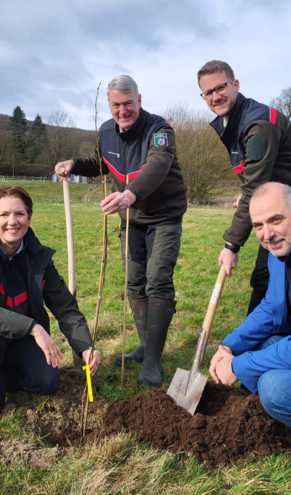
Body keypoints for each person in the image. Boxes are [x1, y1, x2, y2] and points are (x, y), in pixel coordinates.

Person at [54, 75, 187, 386]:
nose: (122, 110)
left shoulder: (160, 131)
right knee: (135, 282)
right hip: (131, 222)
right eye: (116, 105)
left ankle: (153, 361)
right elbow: (103, 164)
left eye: (128, 103)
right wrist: (74, 163)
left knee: (157, 280)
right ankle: (145, 345)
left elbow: (158, 165)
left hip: (164, 218)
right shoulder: (105, 132)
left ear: (139, 101)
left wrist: (130, 194)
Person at [0, 186, 102, 433]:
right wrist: (34, 328)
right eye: (3, 215)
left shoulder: (39, 257)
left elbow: (65, 307)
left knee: (47, 382)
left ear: (30, 217)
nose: (12, 222)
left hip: (21, 337)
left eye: (20, 214)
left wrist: (85, 348)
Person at [197, 60, 291, 315]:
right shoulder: (233, 122)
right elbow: (256, 175)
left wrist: (232, 245)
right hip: (281, 205)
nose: (215, 96)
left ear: (235, 85)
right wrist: (248, 190)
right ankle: (261, 341)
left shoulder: (257, 125)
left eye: (220, 87)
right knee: (265, 277)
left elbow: (254, 185)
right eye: (208, 92)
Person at [209, 182, 291, 448]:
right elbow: (271, 306)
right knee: (262, 345)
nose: (268, 234)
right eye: (258, 226)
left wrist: (238, 366)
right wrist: (230, 344)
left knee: (275, 391)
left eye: (276, 220)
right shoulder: (282, 249)